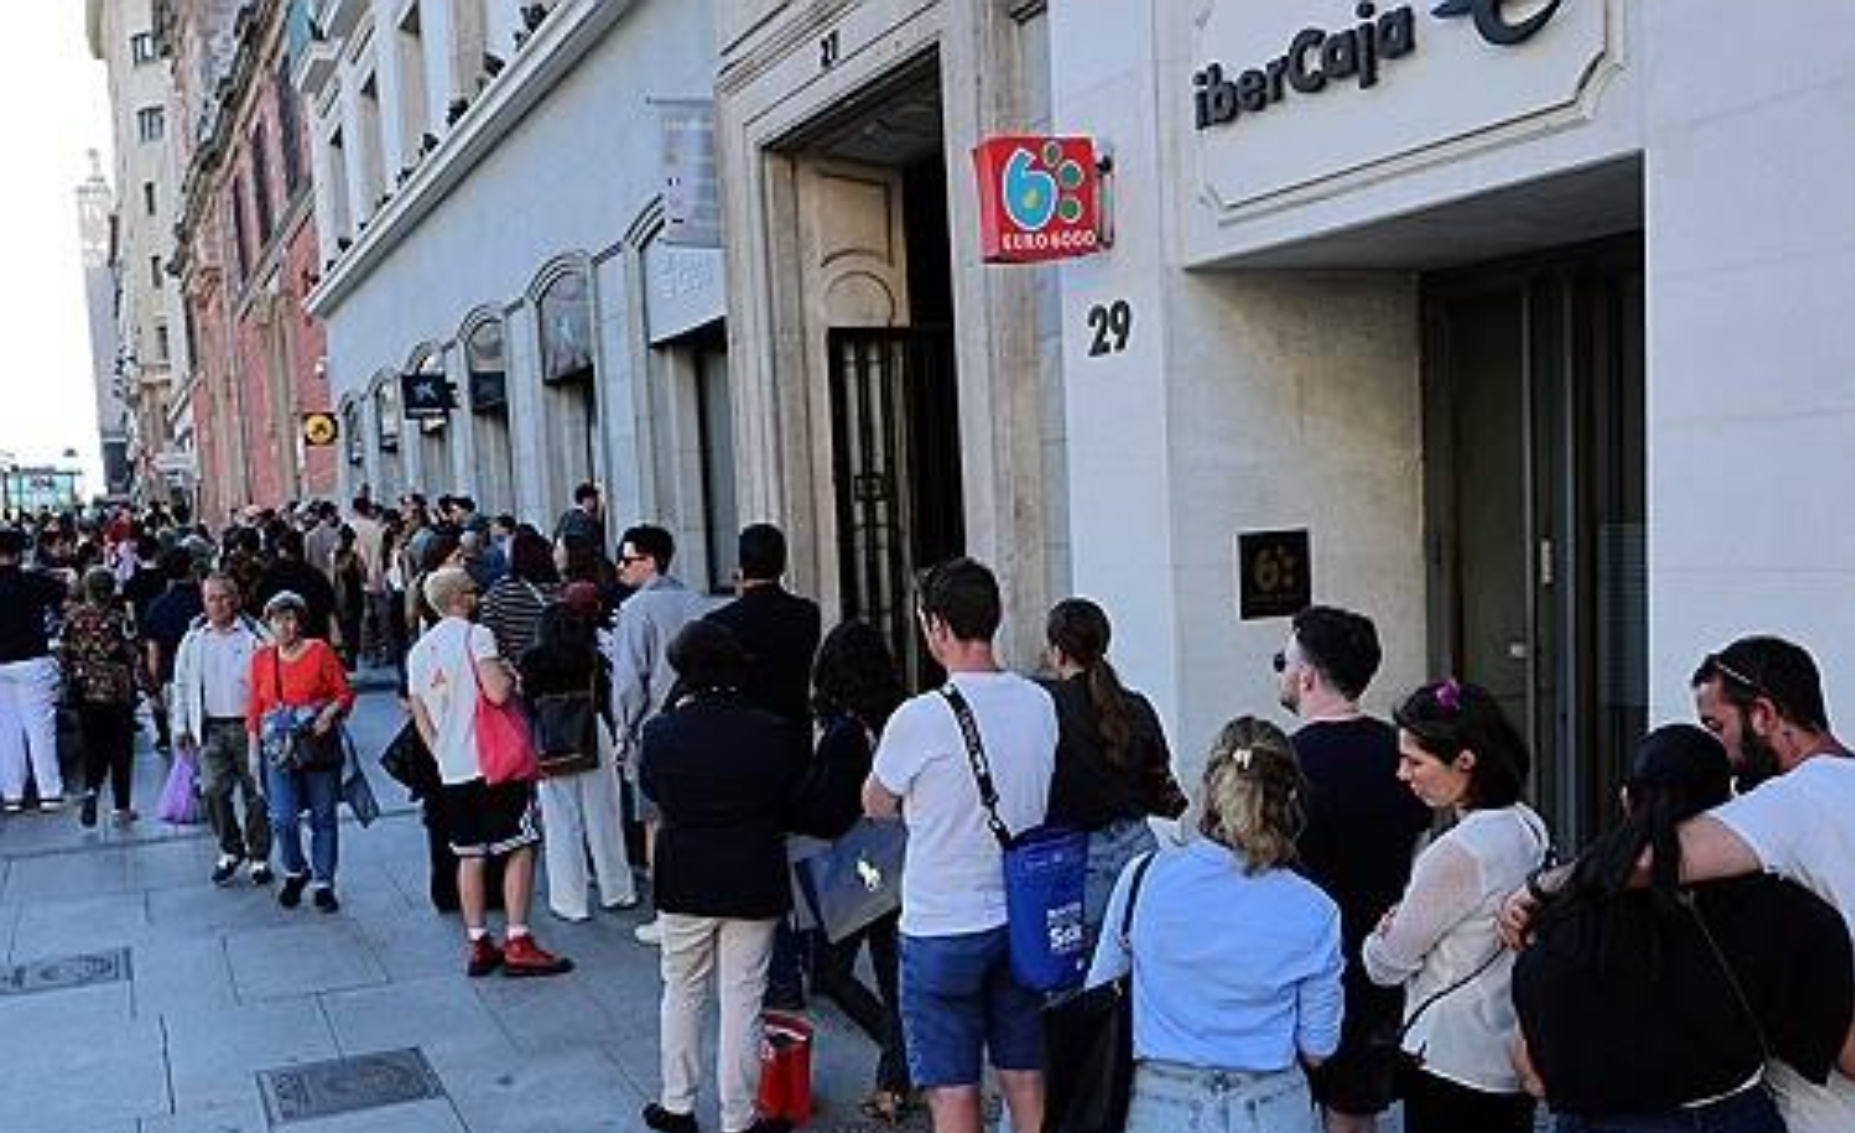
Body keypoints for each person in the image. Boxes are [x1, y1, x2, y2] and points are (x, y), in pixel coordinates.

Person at [1502, 635, 1855, 1132]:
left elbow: (1651, 856)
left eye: (1716, 727)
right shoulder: (1832, 800)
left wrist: (1541, 888)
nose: (1722, 753)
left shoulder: (1788, 803)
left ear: (1763, 715)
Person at [861, 558, 1057, 1133]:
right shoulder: (1039, 703)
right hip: (1020, 918)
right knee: (1024, 1075)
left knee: (953, 1091)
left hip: (942, 925)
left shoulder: (917, 718)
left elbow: (875, 802)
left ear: (938, 627)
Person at [1088, 716, 1344, 1133]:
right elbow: (1318, 1048)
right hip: (1272, 1105)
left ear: (1209, 789)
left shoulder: (1143, 879)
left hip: (1162, 1102)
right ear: (1291, 800)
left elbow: (1099, 992)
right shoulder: (1315, 909)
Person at [638, 620, 806, 1133]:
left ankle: (677, 1103)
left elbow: (653, 791)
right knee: (744, 997)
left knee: (681, 988)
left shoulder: (660, 732)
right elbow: (789, 797)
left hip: (685, 875)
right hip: (753, 874)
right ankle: (739, 1117)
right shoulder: (771, 731)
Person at [1361, 678, 1549, 1133]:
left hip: (1451, 1060)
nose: (1402, 774)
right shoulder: (1528, 825)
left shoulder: (1455, 854)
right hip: (1510, 1048)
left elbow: (1386, 966)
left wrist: (1378, 938)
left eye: (1415, 761)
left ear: (1465, 761)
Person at [1276, 605, 1431, 1133]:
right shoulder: (1400, 753)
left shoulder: (1283, 765)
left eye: (1283, 661)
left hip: (1300, 961)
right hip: (1379, 952)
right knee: (1355, 1110)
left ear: (1307, 676)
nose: (1281, 672)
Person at [405, 567, 572, 978]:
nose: (477, 596)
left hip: (453, 767)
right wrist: (511, 675)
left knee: (470, 853)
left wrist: (442, 754)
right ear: (459, 598)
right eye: (471, 590)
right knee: (520, 843)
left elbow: (419, 712)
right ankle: (517, 938)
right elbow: (496, 692)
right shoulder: (476, 636)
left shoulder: (419, 650)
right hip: (494, 762)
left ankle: (478, 941)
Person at [787, 620, 913, 1124]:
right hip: (894, 862)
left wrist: (787, 804)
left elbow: (828, 811)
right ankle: (898, 1071)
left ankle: (899, 1063)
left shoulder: (845, 733)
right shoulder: (899, 716)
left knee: (830, 974)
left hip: (856, 869)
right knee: (891, 974)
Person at [705, 523, 822, 1008]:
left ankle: (782, 973)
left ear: (740, 567)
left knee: (765, 863)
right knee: (805, 853)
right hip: (796, 743)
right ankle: (820, 954)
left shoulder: (724, 622)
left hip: (747, 755)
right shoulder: (806, 614)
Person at [1040, 597, 1187, 952]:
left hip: (1078, 862)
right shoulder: (1135, 705)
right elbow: (1158, 778)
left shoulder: (1044, 709)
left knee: (1084, 973)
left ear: (1058, 652)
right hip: (1139, 852)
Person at [607, 524, 715, 946]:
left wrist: (623, 731)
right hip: (704, 722)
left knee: (657, 823)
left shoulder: (636, 609)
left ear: (650, 561)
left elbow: (628, 683)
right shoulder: (698, 602)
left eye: (627, 559)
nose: (620, 568)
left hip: (655, 728)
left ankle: (668, 913)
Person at [517, 585, 637, 921]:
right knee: (604, 814)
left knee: (560, 821)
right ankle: (617, 890)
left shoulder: (531, 661)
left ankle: (570, 900)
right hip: (592, 730)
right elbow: (606, 696)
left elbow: (527, 704)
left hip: (550, 738)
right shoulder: (590, 656)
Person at [247, 591, 354, 912]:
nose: (287, 626)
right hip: (278, 749)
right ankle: (295, 869)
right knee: (283, 818)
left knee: (323, 817)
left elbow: (344, 693)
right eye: (279, 620)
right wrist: (253, 751)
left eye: (292, 619)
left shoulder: (319, 651)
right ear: (269, 623)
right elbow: (254, 707)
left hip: (316, 745)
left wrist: (328, 714)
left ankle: (324, 883)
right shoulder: (262, 659)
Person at [172, 574, 272, 885]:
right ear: (204, 602)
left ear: (236, 599)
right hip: (211, 727)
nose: (218, 604)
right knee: (213, 790)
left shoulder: (255, 636)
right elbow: (181, 684)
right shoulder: (193, 640)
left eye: (224, 597)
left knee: (257, 793)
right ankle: (231, 848)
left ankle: (259, 855)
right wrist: (180, 725)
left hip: (250, 726)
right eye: (211, 598)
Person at [60, 567, 141, 827]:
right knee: (121, 749)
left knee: (93, 746)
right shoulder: (118, 619)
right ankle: (121, 807)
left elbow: (64, 652)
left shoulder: (72, 619)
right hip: (118, 692)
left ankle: (91, 791)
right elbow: (132, 653)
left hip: (85, 691)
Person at [0, 527, 70, 813]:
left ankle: (12, 794)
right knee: (40, 729)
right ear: (19, 553)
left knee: (7, 732)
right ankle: (49, 792)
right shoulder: (32, 580)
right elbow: (66, 591)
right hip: (32, 661)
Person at [480, 530, 560, 664]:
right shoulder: (560, 590)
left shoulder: (498, 592)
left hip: (517, 666)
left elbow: (489, 634)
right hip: (557, 665)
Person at [252, 528, 338, 643]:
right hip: (313, 638)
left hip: (280, 640)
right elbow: (329, 605)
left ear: (282, 550)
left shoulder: (269, 576)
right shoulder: (316, 575)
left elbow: (259, 606)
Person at [330, 526, 366, 670]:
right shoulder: (353, 557)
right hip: (351, 599)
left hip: (342, 599)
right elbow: (363, 576)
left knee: (346, 631)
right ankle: (349, 659)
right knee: (350, 631)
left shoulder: (336, 557)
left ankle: (347, 659)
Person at [555, 481, 604, 545]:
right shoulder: (584, 519)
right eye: (593, 498)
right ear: (585, 500)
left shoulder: (567, 516)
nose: (595, 501)